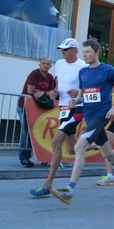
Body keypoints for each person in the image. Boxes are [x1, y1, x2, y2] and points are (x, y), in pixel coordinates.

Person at [49, 38, 114, 204]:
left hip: (101, 115)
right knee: (107, 153)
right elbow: (85, 94)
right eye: (84, 52)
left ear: (97, 53)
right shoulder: (83, 72)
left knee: (79, 146)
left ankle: (70, 189)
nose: (86, 55)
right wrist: (75, 100)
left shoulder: (108, 70)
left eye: (89, 52)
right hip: (89, 116)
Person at [29, 38, 87, 197]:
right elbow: (58, 82)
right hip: (63, 108)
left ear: (75, 49)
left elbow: (88, 88)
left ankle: (48, 184)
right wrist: (54, 92)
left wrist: (79, 93)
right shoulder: (60, 64)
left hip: (76, 108)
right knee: (71, 148)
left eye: (66, 49)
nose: (63, 52)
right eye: (62, 49)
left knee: (56, 141)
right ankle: (101, 147)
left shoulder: (83, 66)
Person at [18, 57, 57, 167]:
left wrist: (43, 93)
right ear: (39, 64)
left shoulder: (50, 77)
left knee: (42, 131)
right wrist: (46, 93)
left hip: (40, 107)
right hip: (24, 106)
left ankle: (44, 157)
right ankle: (24, 158)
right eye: (43, 63)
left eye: (48, 64)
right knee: (27, 132)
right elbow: (30, 91)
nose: (45, 65)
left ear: (50, 66)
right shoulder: (34, 74)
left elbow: (52, 94)